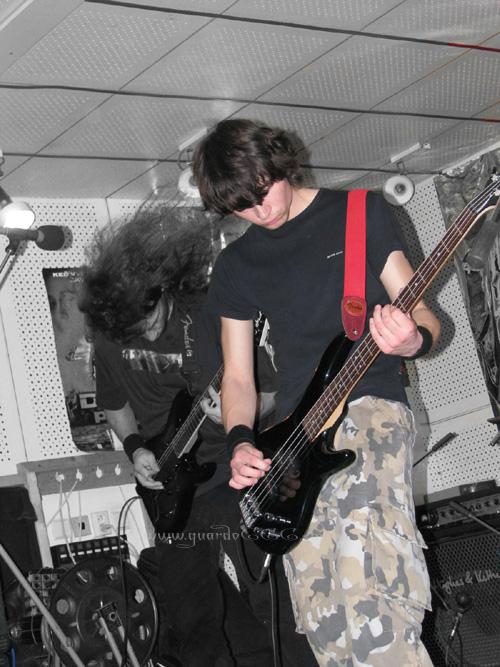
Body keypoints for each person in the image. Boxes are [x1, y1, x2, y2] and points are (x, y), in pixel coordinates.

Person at [192, 118, 441, 667]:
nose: (259, 211)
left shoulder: (360, 212)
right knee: (323, 616)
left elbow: (424, 314)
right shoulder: (235, 266)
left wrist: (412, 339)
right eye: (241, 207)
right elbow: (238, 377)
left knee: (371, 588)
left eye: (262, 192)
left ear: (279, 163)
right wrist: (240, 441)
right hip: (295, 443)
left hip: (369, 405)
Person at [79, 206, 315, 667]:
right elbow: (113, 403)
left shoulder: (212, 312)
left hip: (234, 475)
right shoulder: (108, 337)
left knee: (269, 599)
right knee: (192, 619)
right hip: (172, 493)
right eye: (134, 331)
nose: (147, 335)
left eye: (150, 319)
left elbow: (269, 395)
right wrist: (135, 448)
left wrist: (236, 415)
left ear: (162, 288)